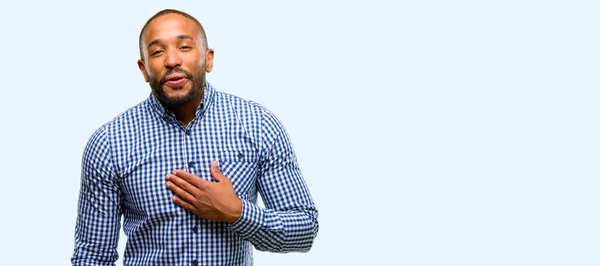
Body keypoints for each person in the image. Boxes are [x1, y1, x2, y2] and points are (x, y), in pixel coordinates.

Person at [71, 9, 319, 266]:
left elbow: (304, 229)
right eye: (157, 52)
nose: (171, 60)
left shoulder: (258, 125)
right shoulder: (109, 143)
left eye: (185, 47)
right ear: (144, 70)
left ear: (208, 59)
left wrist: (237, 212)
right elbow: (93, 257)